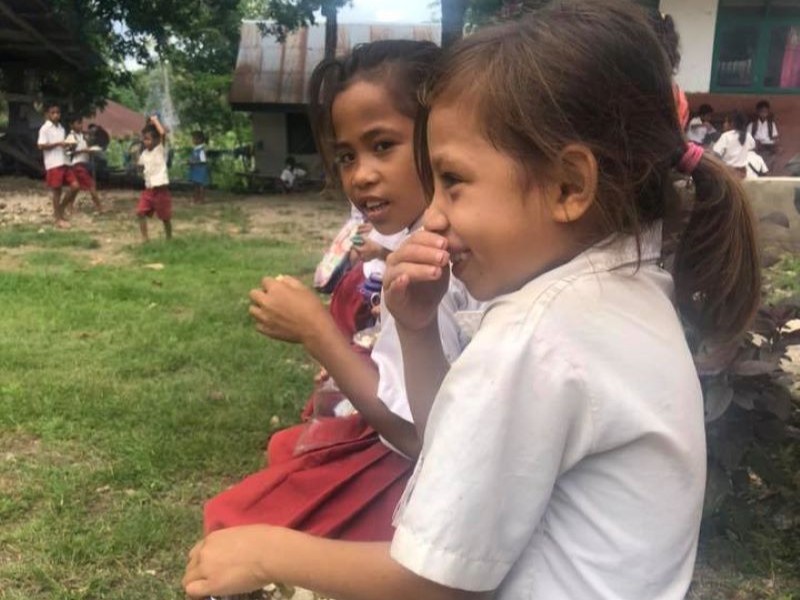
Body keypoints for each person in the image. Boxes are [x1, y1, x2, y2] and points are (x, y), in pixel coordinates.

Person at [183, 2, 760, 598]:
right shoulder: (628, 290)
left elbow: (439, 583)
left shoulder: (535, 338)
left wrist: (272, 551)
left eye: (453, 183)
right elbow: (453, 451)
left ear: (569, 186)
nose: (432, 215)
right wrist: (416, 329)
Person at [201, 40, 481, 543]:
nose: (361, 175)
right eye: (347, 155)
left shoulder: (429, 267)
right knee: (287, 451)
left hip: (409, 477)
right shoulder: (418, 240)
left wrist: (317, 332)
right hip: (404, 448)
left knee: (235, 525)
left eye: (382, 145)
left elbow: (417, 438)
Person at [37, 103, 78, 228]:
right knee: (57, 191)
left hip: (64, 161)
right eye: (53, 112)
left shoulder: (61, 128)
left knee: (75, 186)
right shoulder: (45, 129)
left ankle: (60, 209)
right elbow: (41, 145)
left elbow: (63, 145)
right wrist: (58, 144)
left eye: (58, 113)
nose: (56, 115)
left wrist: (69, 145)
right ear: (47, 114)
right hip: (53, 163)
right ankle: (58, 219)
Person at [136, 115, 172, 241]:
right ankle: (145, 238)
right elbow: (139, 165)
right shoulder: (144, 154)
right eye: (144, 139)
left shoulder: (159, 149)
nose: (146, 142)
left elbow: (162, 133)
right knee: (140, 212)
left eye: (148, 139)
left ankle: (169, 237)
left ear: (156, 140)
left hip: (161, 190)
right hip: (149, 189)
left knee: (165, 217)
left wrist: (155, 120)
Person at [63, 116, 105, 214]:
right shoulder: (71, 137)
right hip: (77, 164)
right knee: (91, 185)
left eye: (81, 123)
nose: (80, 126)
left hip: (82, 164)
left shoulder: (81, 136)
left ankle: (69, 206)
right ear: (71, 125)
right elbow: (69, 152)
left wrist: (89, 150)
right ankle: (99, 208)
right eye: (78, 123)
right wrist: (83, 150)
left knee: (75, 188)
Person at [713, 110, 756, 177]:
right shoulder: (748, 136)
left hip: (729, 172)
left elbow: (716, 153)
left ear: (732, 123)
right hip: (742, 173)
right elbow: (752, 146)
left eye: (726, 122)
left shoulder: (726, 136)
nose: (724, 124)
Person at [749, 99, 779, 166]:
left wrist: (775, 141)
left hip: (768, 148)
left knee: (771, 159)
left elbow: (775, 138)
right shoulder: (752, 125)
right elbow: (748, 139)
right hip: (756, 148)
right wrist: (755, 141)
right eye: (761, 111)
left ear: (768, 112)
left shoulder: (771, 125)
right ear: (757, 112)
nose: (763, 114)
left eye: (765, 111)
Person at [188, 130, 210, 204]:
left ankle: (201, 199)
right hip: (196, 169)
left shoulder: (201, 150)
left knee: (201, 185)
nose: (193, 140)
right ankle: (196, 199)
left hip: (201, 170)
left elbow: (204, 160)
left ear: (200, 139)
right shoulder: (195, 149)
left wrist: (194, 162)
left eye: (194, 138)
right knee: (196, 185)